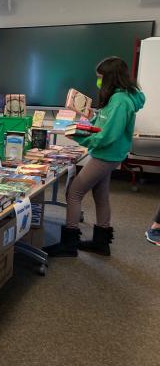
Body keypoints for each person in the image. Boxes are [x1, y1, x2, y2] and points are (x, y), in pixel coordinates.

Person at [44, 57, 145, 257]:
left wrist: (79, 137)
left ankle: (69, 243)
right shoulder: (120, 96)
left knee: (74, 192)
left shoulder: (120, 101)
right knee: (101, 195)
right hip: (109, 154)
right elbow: (105, 122)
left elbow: (106, 137)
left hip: (106, 155)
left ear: (111, 78)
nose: (98, 81)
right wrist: (91, 115)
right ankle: (101, 242)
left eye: (100, 78)